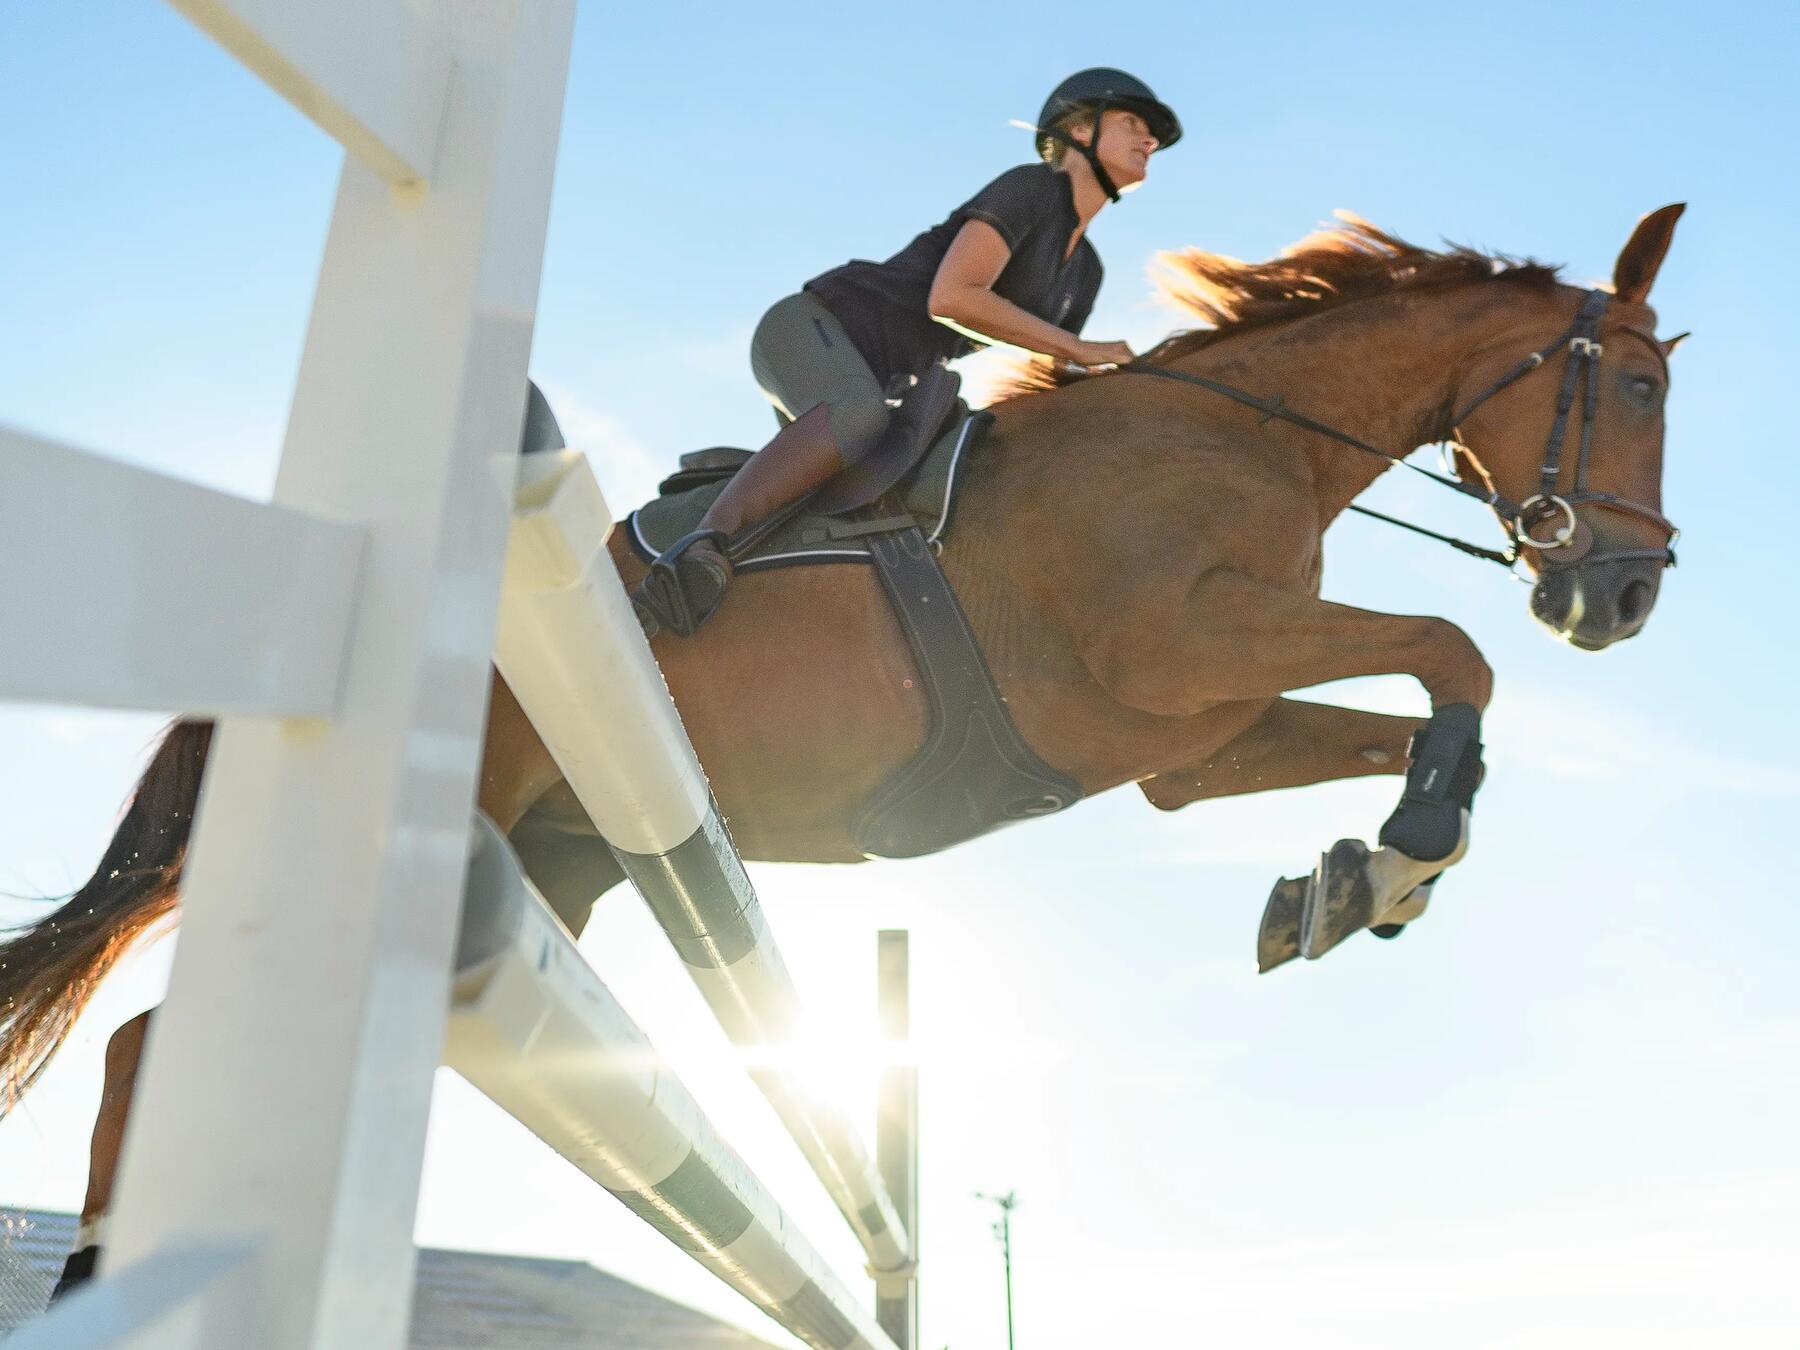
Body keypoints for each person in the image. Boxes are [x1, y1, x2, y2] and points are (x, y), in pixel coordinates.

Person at [633, 68, 1182, 637]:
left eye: (1152, 136)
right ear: (1078, 129)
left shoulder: (1087, 273)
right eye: (1132, 124)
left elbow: (1056, 371)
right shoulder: (1032, 188)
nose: (1149, 141)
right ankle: (698, 549)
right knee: (856, 417)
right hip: (814, 328)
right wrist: (1075, 345)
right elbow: (954, 296)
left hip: (886, 385)